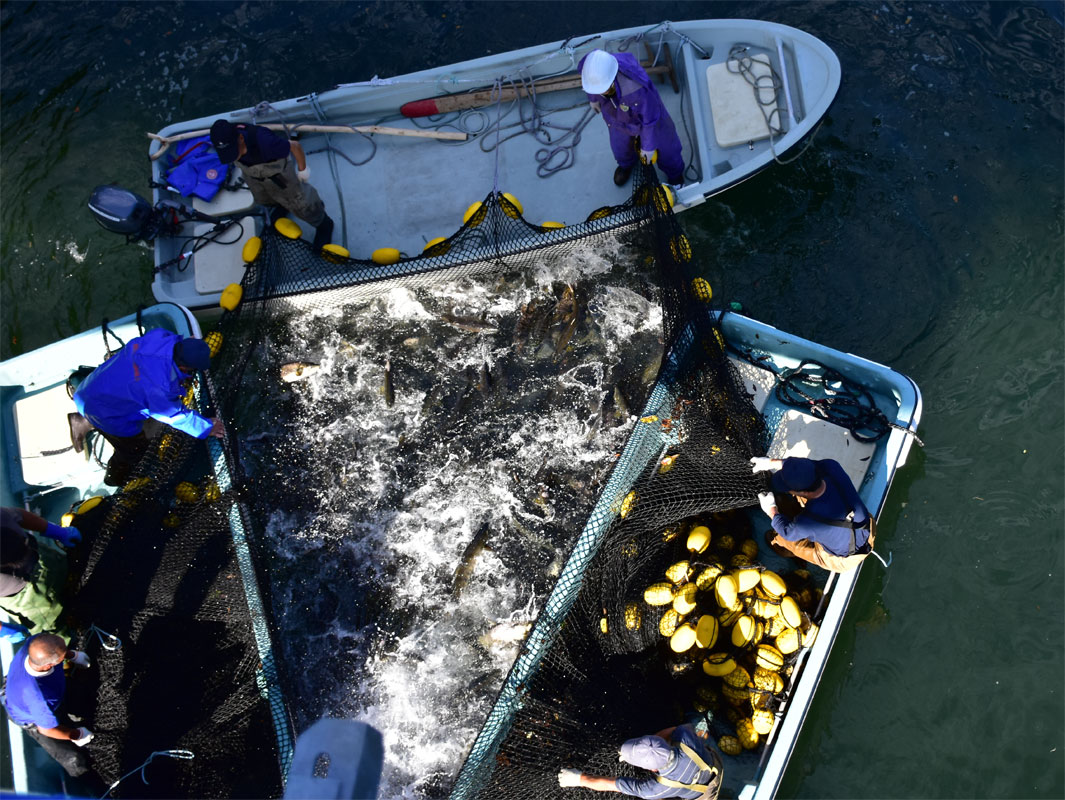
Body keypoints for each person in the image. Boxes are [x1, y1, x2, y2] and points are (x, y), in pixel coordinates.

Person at [72, 330, 223, 486]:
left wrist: (190, 346)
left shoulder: (159, 336)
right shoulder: (160, 387)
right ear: (184, 367)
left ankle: (82, 419)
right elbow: (175, 415)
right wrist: (206, 427)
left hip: (91, 387)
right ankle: (114, 477)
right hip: (103, 411)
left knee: (116, 398)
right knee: (134, 449)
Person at [209, 118, 335, 252]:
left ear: (241, 138)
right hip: (253, 176)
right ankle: (281, 207)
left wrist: (303, 170)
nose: (232, 157)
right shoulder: (224, 137)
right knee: (263, 199)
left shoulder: (266, 142)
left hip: (279, 175)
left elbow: (295, 146)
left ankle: (323, 224)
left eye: (233, 151)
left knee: (300, 202)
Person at [579, 49, 685, 188]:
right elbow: (586, 76)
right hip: (616, 115)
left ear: (611, 80)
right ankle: (626, 164)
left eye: (600, 90)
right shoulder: (592, 64)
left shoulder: (636, 90)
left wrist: (648, 147)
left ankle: (675, 174)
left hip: (648, 114)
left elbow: (649, 120)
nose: (598, 92)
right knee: (619, 145)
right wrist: (593, 98)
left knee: (666, 145)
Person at [751, 456, 876, 572]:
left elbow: (787, 532)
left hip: (843, 557)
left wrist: (771, 509)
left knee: (789, 542)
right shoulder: (831, 467)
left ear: (804, 492)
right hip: (864, 528)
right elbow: (808, 466)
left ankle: (784, 550)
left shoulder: (807, 522)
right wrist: (771, 462)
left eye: (788, 488)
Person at [1, 633, 94, 777]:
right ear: (49, 665)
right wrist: (76, 734)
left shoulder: (35, 643)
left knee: (88, 696)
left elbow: (52, 646)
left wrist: (72, 655)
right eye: (64, 655)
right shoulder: (39, 698)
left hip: (52, 690)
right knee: (76, 761)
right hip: (34, 718)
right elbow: (46, 729)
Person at [558, 724, 723, 799]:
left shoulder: (654, 790)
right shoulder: (685, 737)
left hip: (703, 794)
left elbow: (611, 784)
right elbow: (674, 730)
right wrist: (641, 751)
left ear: (651, 770)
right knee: (697, 728)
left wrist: (578, 778)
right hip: (715, 765)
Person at [1, 507, 81, 635]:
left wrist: (56, 531)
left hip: (43, 565)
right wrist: (4, 630)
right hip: (34, 587)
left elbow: (17, 515)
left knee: (78, 574)